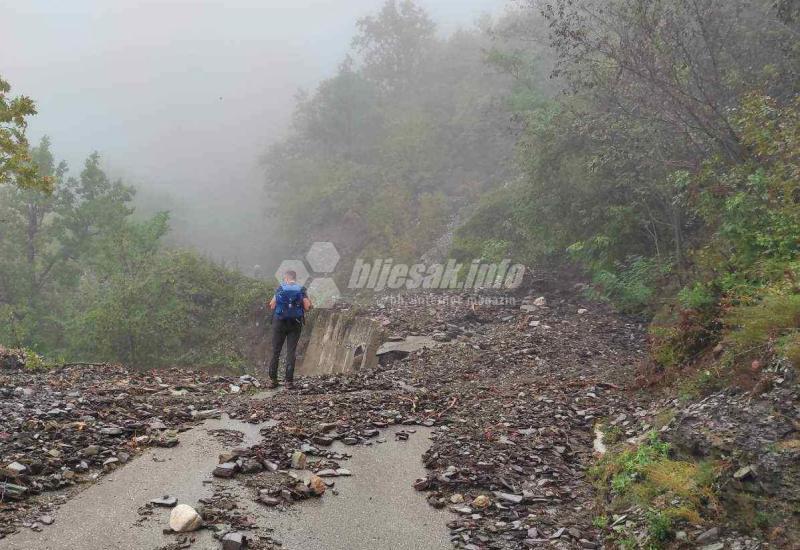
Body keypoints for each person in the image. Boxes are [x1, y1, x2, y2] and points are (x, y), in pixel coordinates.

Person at [267, 270, 312, 389]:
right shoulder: (301, 289)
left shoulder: (281, 288)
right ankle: (289, 382)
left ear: (286, 278)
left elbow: (272, 304)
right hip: (295, 323)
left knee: (276, 351)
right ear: (294, 278)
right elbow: (307, 306)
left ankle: (273, 380)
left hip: (280, 323)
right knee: (291, 352)